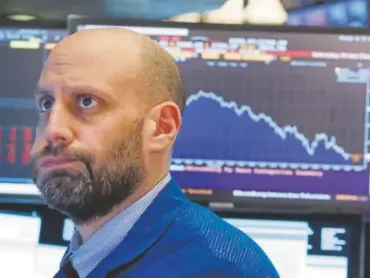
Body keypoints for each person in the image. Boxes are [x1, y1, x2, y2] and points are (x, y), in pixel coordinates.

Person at [30, 27, 279, 278]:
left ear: (161, 128)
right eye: (46, 103)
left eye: (87, 101)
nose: (53, 129)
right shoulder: (85, 259)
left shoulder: (218, 270)